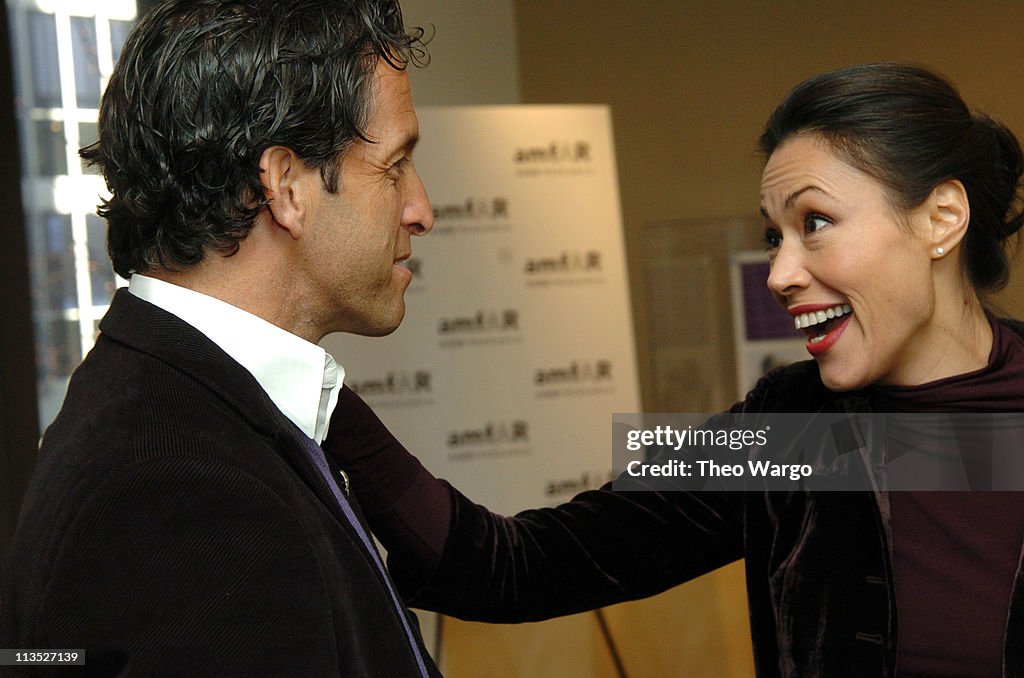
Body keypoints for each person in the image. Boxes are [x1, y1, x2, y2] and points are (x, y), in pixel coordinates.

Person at [325, 63, 1024, 676]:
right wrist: (324, 396)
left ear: (941, 219)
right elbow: (517, 566)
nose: (779, 273)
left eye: (815, 222)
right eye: (772, 236)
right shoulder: (789, 434)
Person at [0, 0, 440, 675]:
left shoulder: (193, 408)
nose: (422, 210)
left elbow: (491, 557)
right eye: (395, 165)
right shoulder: (177, 491)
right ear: (286, 185)